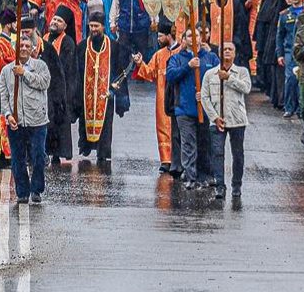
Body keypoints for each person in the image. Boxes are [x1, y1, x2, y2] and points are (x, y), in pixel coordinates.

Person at [0, 27, 52, 204]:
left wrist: (25, 74)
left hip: (37, 120)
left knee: (38, 156)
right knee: (18, 159)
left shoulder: (40, 66)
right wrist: (8, 115)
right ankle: (22, 192)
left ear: (32, 49)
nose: (23, 48)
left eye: (26, 45)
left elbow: (44, 83)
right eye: (20, 45)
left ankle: (36, 189)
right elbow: (3, 95)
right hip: (16, 122)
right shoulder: (7, 70)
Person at [199, 39, 251, 200]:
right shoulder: (210, 74)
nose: (227, 52)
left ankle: (237, 184)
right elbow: (204, 97)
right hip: (218, 120)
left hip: (237, 120)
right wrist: (214, 117)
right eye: (224, 49)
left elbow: (246, 88)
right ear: (219, 53)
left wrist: (229, 78)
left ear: (234, 53)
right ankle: (220, 185)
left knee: (238, 154)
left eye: (230, 49)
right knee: (217, 153)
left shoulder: (242, 72)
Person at [166, 29, 218, 189]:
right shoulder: (176, 58)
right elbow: (171, 76)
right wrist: (188, 66)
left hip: (205, 109)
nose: (193, 38)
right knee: (188, 144)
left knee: (205, 144)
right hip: (184, 109)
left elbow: (218, 78)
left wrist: (206, 94)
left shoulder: (210, 57)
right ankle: (190, 176)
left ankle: (206, 175)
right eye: (189, 35)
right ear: (183, 40)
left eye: (196, 35)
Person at [131, 20, 180, 174]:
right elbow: (150, 72)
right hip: (162, 96)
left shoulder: (182, 52)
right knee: (163, 125)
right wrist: (140, 64)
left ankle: (179, 160)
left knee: (179, 128)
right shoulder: (159, 55)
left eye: (160, 36)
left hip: (179, 96)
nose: (157, 39)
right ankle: (166, 160)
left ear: (169, 36)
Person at [79, 12, 120, 166]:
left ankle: (103, 153)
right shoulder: (83, 46)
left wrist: (116, 91)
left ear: (103, 26)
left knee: (106, 123)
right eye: (91, 26)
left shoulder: (113, 46)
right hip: (87, 93)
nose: (94, 29)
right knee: (85, 121)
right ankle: (87, 148)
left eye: (96, 26)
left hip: (106, 94)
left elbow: (119, 69)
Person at [40, 12, 81, 165]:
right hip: (43, 87)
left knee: (57, 122)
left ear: (65, 26)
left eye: (59, 20)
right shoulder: (43, 38)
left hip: (59, 88)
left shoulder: (68, 42)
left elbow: (68, 70)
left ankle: (56, 155)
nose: (55, 22)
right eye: (54, 19)